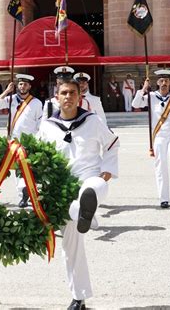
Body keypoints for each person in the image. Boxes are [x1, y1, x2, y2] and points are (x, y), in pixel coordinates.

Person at [37, 79, 119, 310]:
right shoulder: (47, 126)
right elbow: (38, 157)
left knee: (92, 189)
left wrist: (108, 171)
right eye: (64, 93)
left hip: (90, 178)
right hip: (63, 189)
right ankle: (78, 297)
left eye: (72, 92)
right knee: (71, 247)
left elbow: (112, 143)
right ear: (56, 97)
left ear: (79, 97)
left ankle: (86, 209)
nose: (68, 97)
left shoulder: (92, 121)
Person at [132, 69, 170, 208]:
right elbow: (135, 104)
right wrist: (143, 89)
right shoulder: (151, 97)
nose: (164, 83)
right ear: (157, 82)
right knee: (161, 166)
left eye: (166, 81)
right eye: (161, 81)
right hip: (158, 136)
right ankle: (164, 198)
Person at [0, 74, 43, 207]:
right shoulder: (11, 99)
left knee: (28, 168)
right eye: (20, 84)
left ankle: (29, 192)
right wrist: (6, 91)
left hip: (29, 140)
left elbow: (40, 122)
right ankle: (22, 195)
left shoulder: (36, 103)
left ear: (30, 86)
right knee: (16, 169)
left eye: (25, 84)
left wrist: (38, 139)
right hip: (14, 141)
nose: (23, 86)